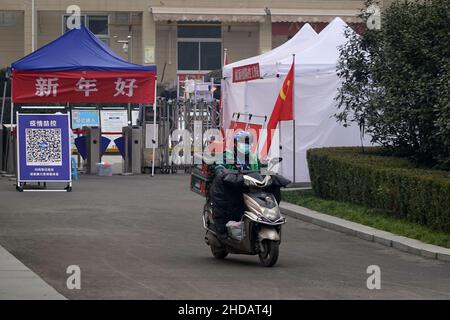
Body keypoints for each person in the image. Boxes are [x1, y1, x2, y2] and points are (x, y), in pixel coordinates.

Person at [209, 131, 260, 240]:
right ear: (236, 143)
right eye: (243, 142)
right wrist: (224, 173)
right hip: (229, 188)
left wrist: (268, 173)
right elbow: (219, 167)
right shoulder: (227, 155)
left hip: (249, 188)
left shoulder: (254, 157)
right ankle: (223, 232)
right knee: (225, 205)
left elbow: (261, 170)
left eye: (248, 142)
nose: (246, 145)